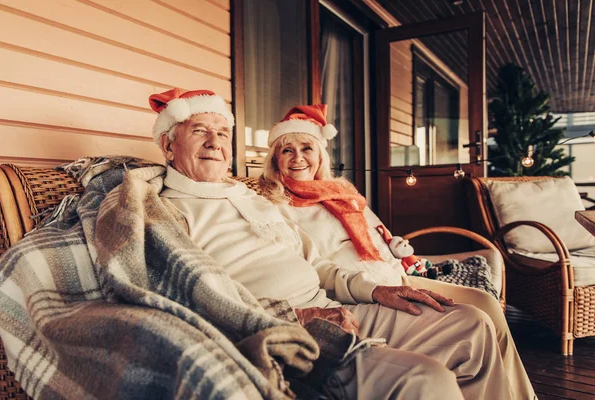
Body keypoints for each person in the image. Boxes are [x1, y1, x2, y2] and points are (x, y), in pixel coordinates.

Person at [149, 88, 511, 400]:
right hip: (290, 327)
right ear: (168, 144)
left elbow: (316, 263)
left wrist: (376, 290)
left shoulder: (249, 196)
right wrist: (295, 316)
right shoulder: (166, 211)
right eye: (199, 131)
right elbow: (193, 298)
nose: (215, 143)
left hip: (339, 303)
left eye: (223, 133)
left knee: (472, 325)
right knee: (426, 380)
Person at [259, 103, 537, 400]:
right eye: (287, 150)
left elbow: (380, 235)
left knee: (486, 303)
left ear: (320, 155)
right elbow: (311, 266)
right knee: (474, 319)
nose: (298, 158)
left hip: (394, 275)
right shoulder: (274, 204)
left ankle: (522, 396)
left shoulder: (340, 192)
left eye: (306, 148)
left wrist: (401, 255)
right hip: (363, 289)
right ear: (276, 159)